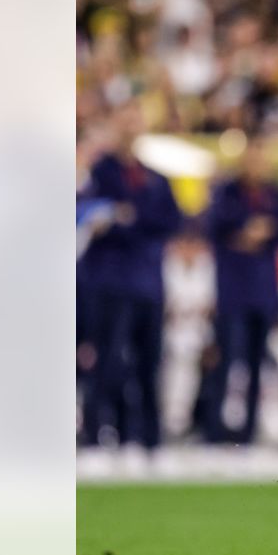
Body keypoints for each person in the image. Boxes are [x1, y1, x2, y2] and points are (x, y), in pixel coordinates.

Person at [79, 102, 183, 455]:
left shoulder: (154, 175)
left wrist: (129, 218)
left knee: (149, 362)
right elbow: (97, 215)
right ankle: (96, 435)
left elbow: (170, 220)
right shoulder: (101, 171)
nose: (130, 125)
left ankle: (148, 439)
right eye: (124, 119)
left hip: (147, 283)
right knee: (107, 361)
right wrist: (134, 220)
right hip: (111, 282)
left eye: (135, 118)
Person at [201, 136, 278, 443]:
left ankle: (249, 430)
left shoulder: (276, 195)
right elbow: (215, 228)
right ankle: (214, 429)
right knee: (227, 361)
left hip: (263, 292)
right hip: (232, 293)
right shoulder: (227, 192)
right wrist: (247, 231)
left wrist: (252, 234)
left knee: (257, 364)